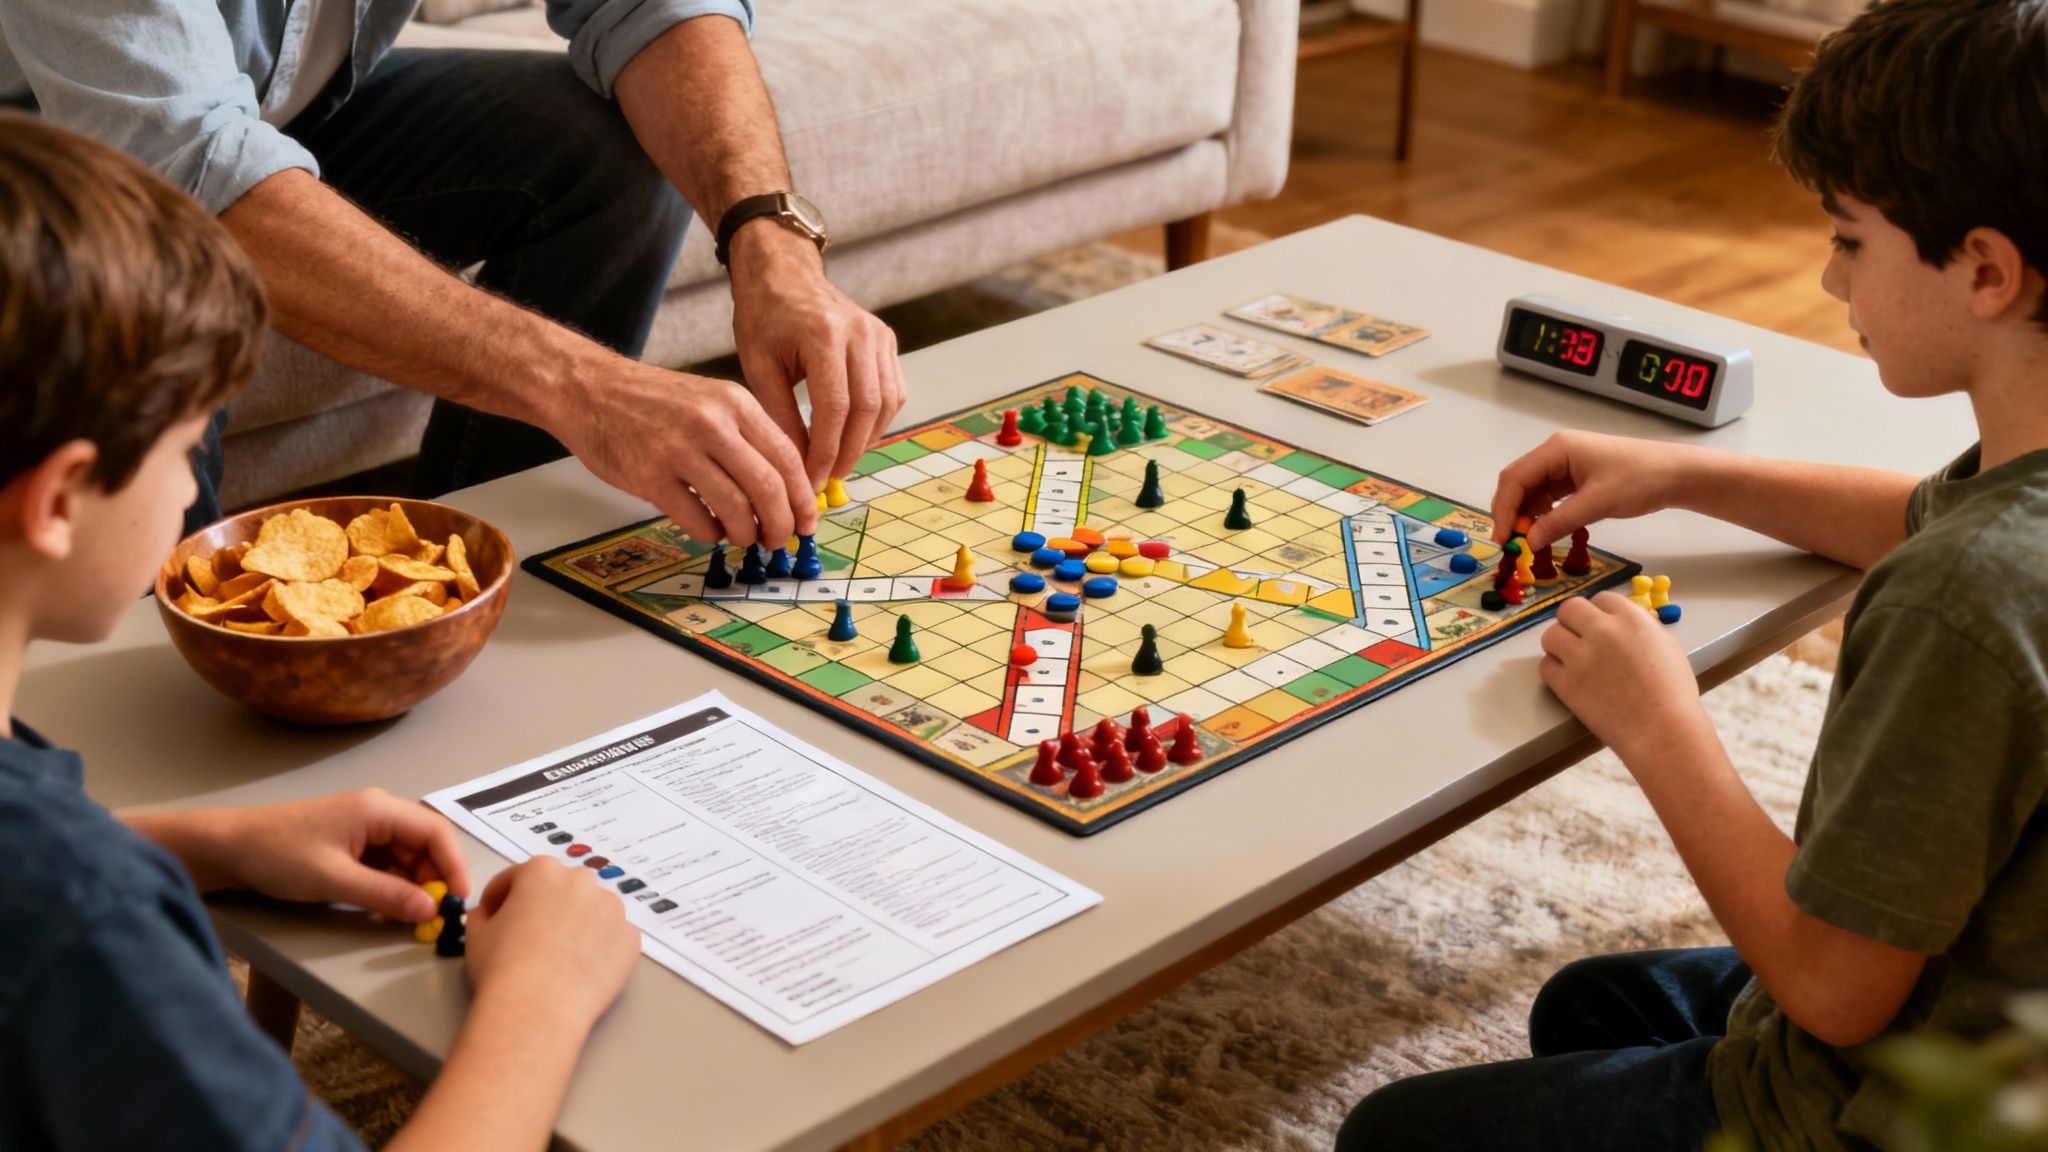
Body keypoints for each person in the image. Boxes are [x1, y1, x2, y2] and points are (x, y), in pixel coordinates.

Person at [1337, 1, 2048, 1148]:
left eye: (1848, 239)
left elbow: (1829, 987)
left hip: (1907, 1112)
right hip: (1996, 1015)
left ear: (1982, 271)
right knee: (1588, 1006)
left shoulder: (1963, 598)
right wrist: (1675, 474)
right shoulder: (2013, 505)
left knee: (1391, 1134)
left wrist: (1657, 719)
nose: (1828, 280)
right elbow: (1918, 519)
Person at [0, 114, 642, 1151]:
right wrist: (542, 1000)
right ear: (62, 497)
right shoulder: (86, 925)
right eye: (186, 449)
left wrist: (205, 843)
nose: (190, 496)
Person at [0, 0, 905, 548]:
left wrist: (771, 242)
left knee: (597, 156)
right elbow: (185, 165)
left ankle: (476, 567)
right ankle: (172, 733)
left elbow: (647, 7)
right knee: (153, 319)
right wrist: (586, 388)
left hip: (268, 118)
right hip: (48, 170)